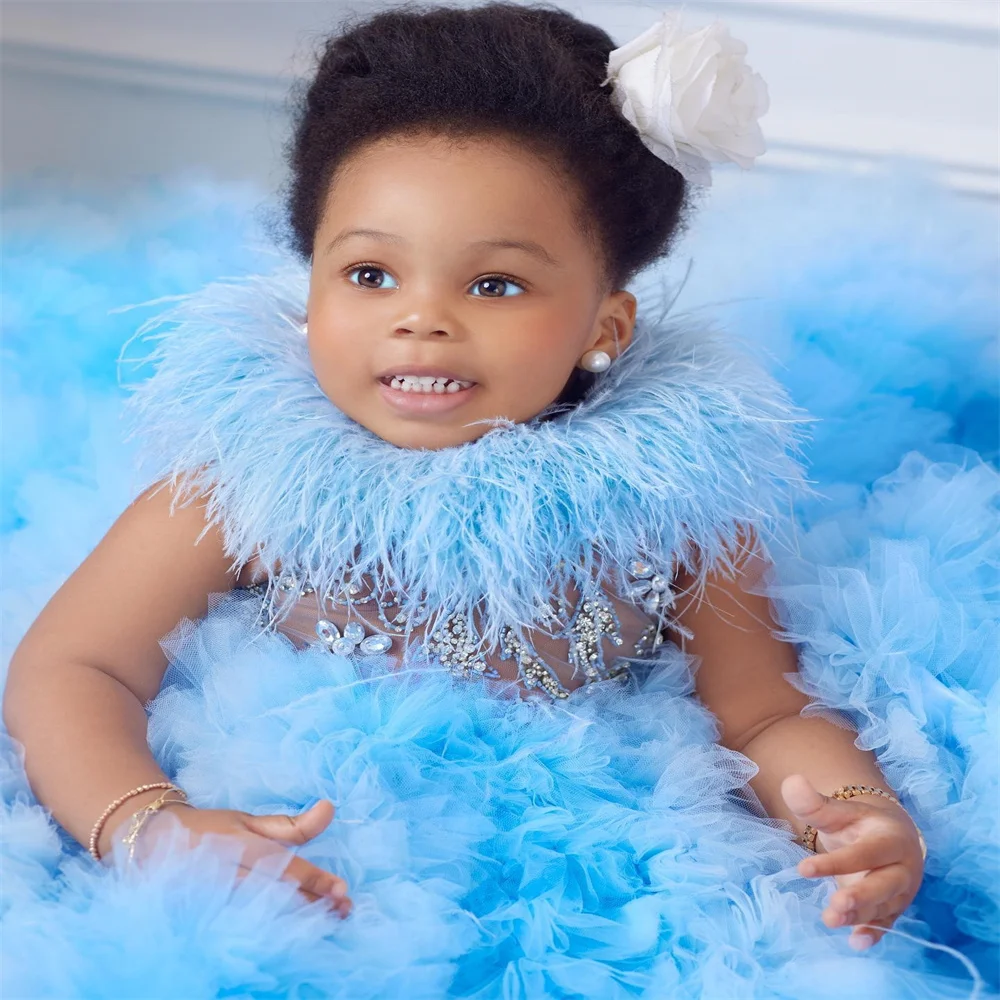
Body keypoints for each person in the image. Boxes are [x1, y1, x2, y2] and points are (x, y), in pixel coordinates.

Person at [2, 4, 989, 996]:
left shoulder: (673, 499)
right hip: (340, 845)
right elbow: (72, 663)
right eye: (370, 273)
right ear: (310, 295)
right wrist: (148, 823)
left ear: (604, 325)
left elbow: (764, 710)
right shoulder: (249, 483)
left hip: (608, 850)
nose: (421, 318)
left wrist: (854, 807)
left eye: (496, 285)